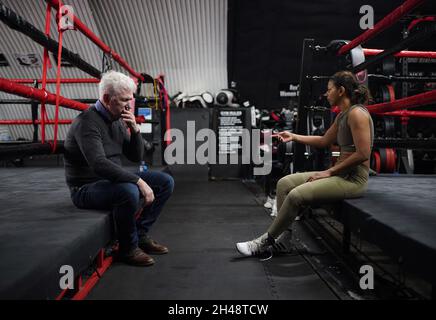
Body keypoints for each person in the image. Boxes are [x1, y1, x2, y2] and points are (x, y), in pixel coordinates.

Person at [236, 70, 374, 256]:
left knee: (295, 195)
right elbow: (324, 140)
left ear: (341, 91)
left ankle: (262, 243)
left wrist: (329, 172)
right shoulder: (343, 115)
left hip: (353, 180)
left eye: (329, 89)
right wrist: (293, 136)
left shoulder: (357, 114)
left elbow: (363, 153)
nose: (326, 94)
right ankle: (284, 240)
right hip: (340, 174)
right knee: (284, 184)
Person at [64, 71, 174, 266]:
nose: (128, 105)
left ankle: (140, 235)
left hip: (111, 181)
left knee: (166, 182)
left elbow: (135, 156)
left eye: (130, 100)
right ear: (107, 98)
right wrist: (138, 181)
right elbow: (98, 164)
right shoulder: (87, 122)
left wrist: (135, 130)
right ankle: (128, 248)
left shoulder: (118, 119)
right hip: (86, 188)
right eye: (124, 100)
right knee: (129, 189)